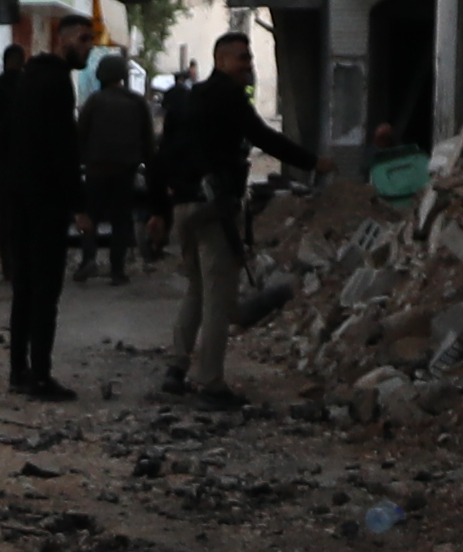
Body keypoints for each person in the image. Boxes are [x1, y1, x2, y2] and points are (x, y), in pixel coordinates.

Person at [153, 27, 315, 402]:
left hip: (185, 207)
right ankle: (210, 382)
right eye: (242, 57)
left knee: (196, 288)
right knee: (217, 296)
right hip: (213, 209)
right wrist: (312, 162)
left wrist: (158, 209)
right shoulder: (228, 96)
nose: (248, 65)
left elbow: (162, 155)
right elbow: (264, 137)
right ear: (221, 60)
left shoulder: (186, 101)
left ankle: (176, 369)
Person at [0, 6, 86, 395]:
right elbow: (63, 148)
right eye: (83, 39)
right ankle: (40, 374)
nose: (88, 48)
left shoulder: (26, 82)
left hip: (19, 197)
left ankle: (19, 371)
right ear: (64, 40)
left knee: (24, 289)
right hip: (45, 201)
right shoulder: (57, 83)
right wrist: (78, 203)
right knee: (45, 290)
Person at [70, 46, 152, 282]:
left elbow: (80, 136)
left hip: (96, 170)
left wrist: (80, 163)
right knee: (121, 219)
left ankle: (88, 260)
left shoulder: (94, 102)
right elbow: (147, 141)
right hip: (126, 171)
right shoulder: (137, 103)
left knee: (91, 217)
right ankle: (117, 269)